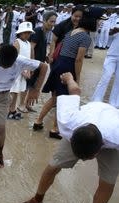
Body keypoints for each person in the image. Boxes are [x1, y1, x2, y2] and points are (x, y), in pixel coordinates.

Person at [18, 72, 119, 203]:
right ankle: (37, 198)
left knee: (108, 180)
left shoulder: (116, 135)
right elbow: (75, 91)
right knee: (53, 165)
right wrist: (69, 78)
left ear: (97, 152)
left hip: (110, 126)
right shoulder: (68, 123)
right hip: (85, 123)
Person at [35, 11, 97, 139]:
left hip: (58, 65)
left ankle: (38, 121)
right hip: (68, 66)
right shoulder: (85, 37)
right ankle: (54, 129)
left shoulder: (71, 32)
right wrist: (77, 78)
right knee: (63, 99)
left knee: (56, 97)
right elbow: (78, 59)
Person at [22, 11, 57, 113]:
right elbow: (31, 48)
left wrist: (45, 57)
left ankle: (27, 104)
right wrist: (31, 64)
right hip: (34, 63)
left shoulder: (45, 33)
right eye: (51, 21)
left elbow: (39, 48)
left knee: (32, 84)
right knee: (27, 84)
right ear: (44, 21)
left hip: (39, 63)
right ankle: (21, 105)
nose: (53, 24)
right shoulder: (37, 31)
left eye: (54, 22)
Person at [7, 22, 34, 120]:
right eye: (25, 32)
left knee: (17, 92)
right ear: (20, 33)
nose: (27, 35)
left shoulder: (28, 44)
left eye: (29, 33)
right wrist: (22, 71)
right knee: (12, 92)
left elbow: (29, 58)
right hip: (17, 71)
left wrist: (30, 70)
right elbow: (14, 59)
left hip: (24, 71)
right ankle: (8, 110)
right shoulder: (17, 42)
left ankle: (12, 110)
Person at [91, 18, 119, 108]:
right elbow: (109, 33)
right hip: (112, 55)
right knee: (105, 77)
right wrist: (114, 30)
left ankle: (114, 104)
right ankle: (96, 101)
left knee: (118, 81)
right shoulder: (117, 20)